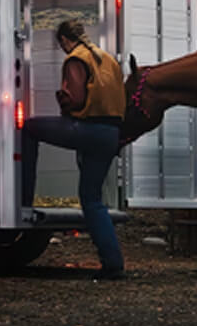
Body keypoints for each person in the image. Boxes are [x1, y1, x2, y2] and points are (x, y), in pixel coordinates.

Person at [22, 21, 127, 279]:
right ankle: (113, 264)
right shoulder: (108, 59)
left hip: (87, 128)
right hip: (110, 134)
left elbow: (77, 99)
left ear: (65, 40)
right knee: (91, 199)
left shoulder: (76, 59)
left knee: (29, 128)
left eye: (61, 44)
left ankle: (23, 200)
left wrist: (62, 97)